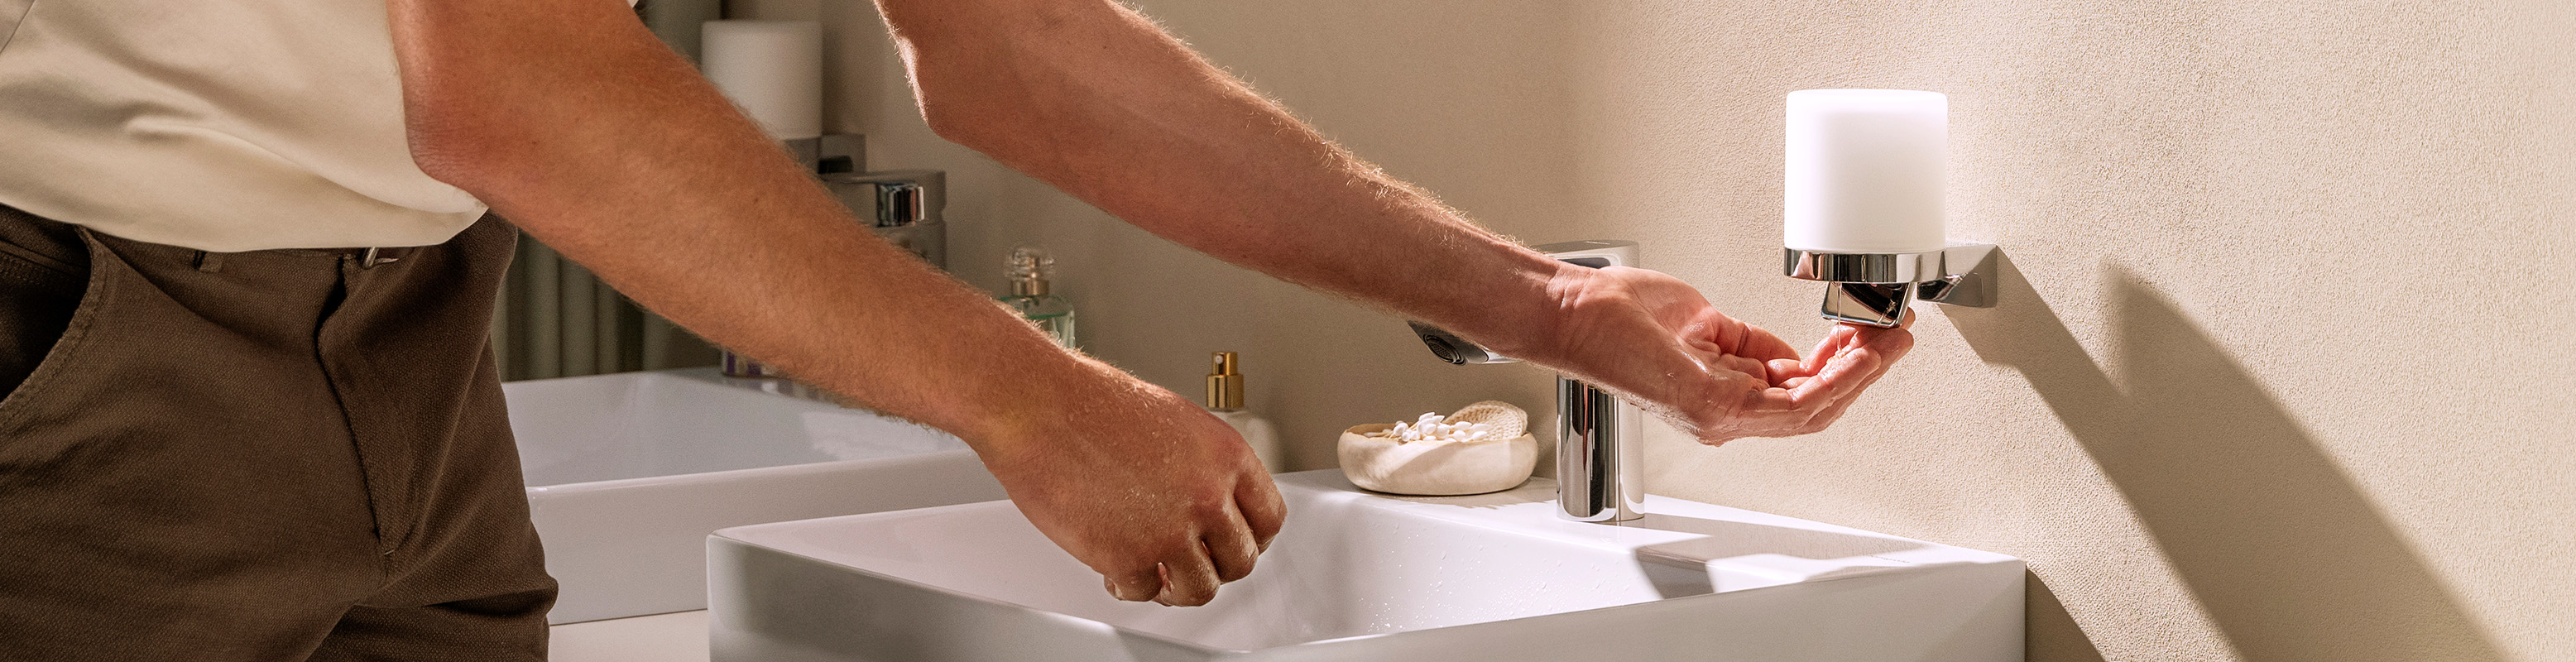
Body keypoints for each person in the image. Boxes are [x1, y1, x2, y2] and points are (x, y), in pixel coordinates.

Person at [0, 0, 1914, 658]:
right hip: (99, 333)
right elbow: (510, 82)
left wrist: (1548, 304)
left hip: (426, 335)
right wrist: (1024, 391)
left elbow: (1021, 53)